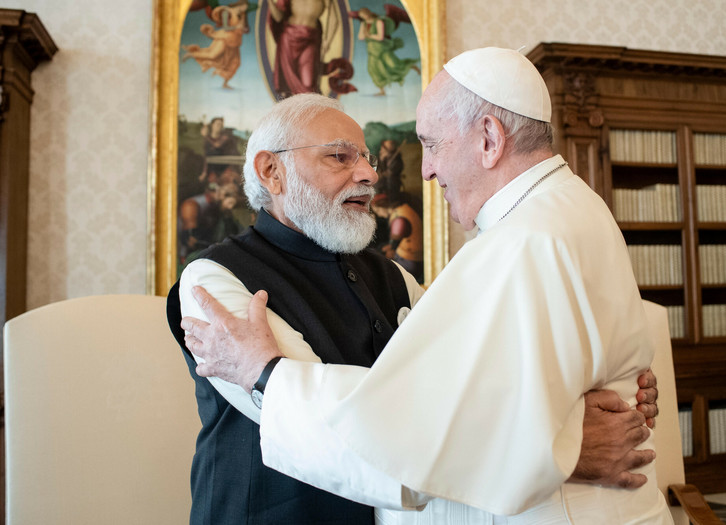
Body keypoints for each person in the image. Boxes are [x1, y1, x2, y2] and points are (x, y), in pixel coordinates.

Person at [183, 48, 671, 523]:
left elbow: (444, 405)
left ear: (489, 139)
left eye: (430, 145)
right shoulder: (213, 279)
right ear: (272, 171)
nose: (373, 174)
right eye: (340, 157)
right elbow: (395, 428)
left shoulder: (414, 268)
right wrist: (561, 444)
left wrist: (556, 433)